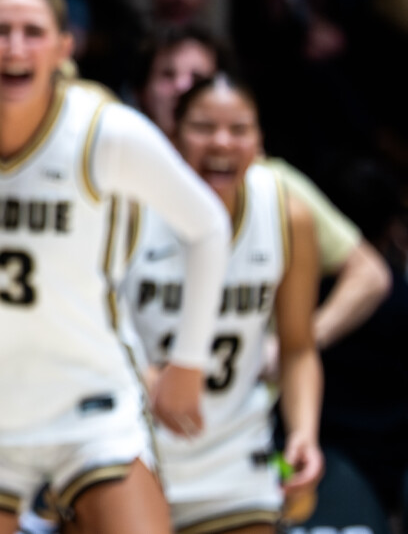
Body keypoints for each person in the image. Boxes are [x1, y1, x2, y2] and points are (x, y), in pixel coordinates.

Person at [0, 0, 231, 534]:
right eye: (0, 31)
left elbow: (207, 227)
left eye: (34, 32)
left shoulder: (104, 131)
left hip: (90, 404)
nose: (16, 47)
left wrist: (188, 362)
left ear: (64, 48)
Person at [123, 75, 323, 534]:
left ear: (260, 141)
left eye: (239, 129)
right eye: (203, 127)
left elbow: (298, 346)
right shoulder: (131, 204)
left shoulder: (288, 214)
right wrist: (145, 377)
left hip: (235, 456)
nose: (222, 142)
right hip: (134, 446)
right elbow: (91, 321)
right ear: (172, 137)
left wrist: (303, 434)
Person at [134, 27, 391, 351]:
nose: (182, 87)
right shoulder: (123, 183)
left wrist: (292, 347)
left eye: (198, 77)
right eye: (167, 76)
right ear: (142, 93)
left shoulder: (274, 189)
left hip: (248, 381)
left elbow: (368, 274)